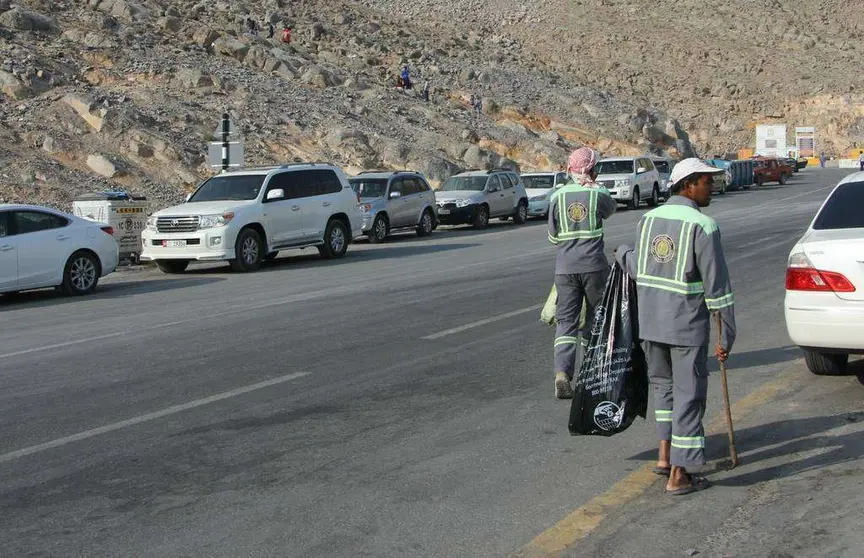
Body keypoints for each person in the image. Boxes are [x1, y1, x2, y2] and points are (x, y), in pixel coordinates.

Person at [615, 158, 736, 496]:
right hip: (685, 328)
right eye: (706, 182)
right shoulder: (703, 226)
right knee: (689, 396)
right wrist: (727, 334)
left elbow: (638, 267)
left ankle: (665, 455)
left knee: (665, 391)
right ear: (688, 185)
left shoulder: (647, 219)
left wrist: (623, 253)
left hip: (651, 326)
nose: (711, 187)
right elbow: (718, 288)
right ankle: (679, 474)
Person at [548, 147, 618, 399]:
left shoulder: (557, 196)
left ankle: (562, 374)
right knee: (595, 320)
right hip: (594, 266)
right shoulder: (597, 193)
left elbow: (552, 236)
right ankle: (593, 372)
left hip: (565, 269)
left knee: (566, 323)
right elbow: (610, 211)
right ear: (590, 169)